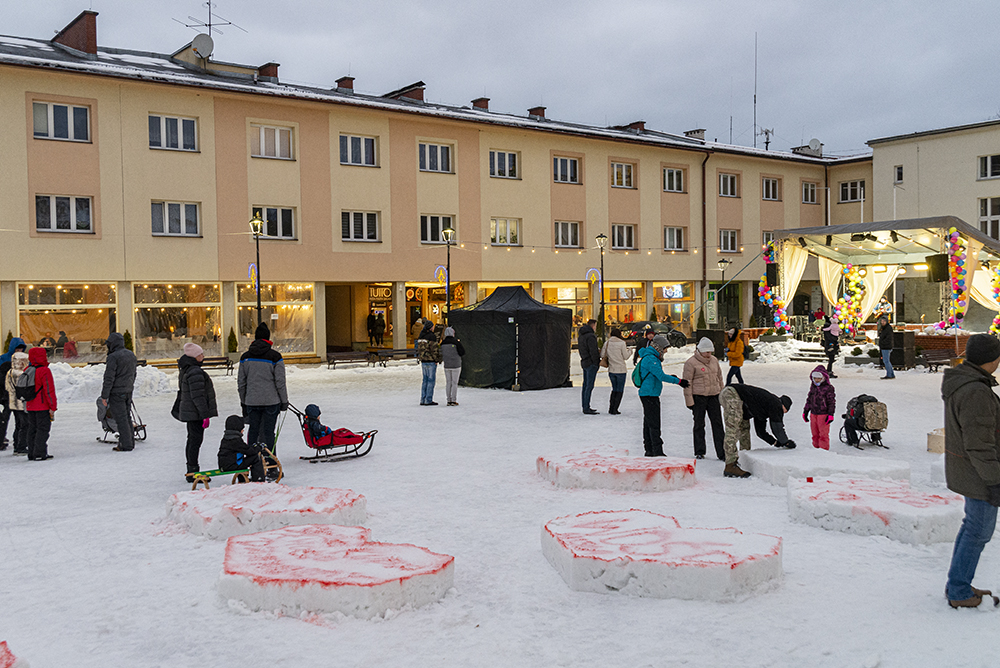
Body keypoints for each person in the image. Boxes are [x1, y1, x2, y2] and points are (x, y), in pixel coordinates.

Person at [942, 333, 1000, 608]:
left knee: (972, 528)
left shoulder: (967, 381)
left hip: (970, 469)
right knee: (978, 532)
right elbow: (979, 444)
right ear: (992, 359)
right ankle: (959, 590)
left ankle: (958, 583)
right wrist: (995, 481)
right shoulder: (975, 391)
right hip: (979, 474)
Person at [238, 322, 288, 479]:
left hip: (251, 401)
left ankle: (254, 465)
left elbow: (241, 383)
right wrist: (284, 401)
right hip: (271, 401)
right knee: (268, 434)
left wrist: (244, 400)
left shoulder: (245, 357)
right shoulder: (275, 357)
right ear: (268, 338)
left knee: (253, 432)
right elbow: (280, 382)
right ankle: (271, 466)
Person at [719, 384, 795, 478]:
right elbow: (777, 428)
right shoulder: (776, 403)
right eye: (784, 411)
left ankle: (744, 457)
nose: (782, 414)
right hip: (732, 393)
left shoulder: (763, 408)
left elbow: (761, 432)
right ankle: (730, 465)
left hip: (735, 397)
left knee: (744, 428)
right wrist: (786, 442)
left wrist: (775, 442)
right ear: (784, 406)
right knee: (733, 429)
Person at [636, 334, 688, 457]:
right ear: (658, 347)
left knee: (649, 422)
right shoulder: (651, 359)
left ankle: (649, 450)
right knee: (654, 423)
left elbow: (657, 374)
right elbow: (661, 376)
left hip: (649, 393)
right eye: (665, 348)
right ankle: (657, 451)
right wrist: (679, 381)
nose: (666, 351)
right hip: (649, 394)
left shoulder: (651, 357)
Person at [177, 343, 218, 481]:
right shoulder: (195, 372)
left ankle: (191, 470)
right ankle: (193, 472)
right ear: (195, 356)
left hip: (191, 412)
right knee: (195, 441)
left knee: (192, 440)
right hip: (195, 414)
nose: (203, 356)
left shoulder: (187, 369)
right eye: (201, 354)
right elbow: (198, 396)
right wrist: (205, 415)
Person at [683, 337, 725, 460]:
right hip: (698, 397)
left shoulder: (714, 360)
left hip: (714, 396)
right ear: (700, 350)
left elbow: (719, 378)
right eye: (707, 352)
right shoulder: (691, 363)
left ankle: (722, 452)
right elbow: (687, 383)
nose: (709, 354)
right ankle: (699, 451)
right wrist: (689, 401)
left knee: (718, 424)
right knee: (699, 424)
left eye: (711, 352)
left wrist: (722, 394)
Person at [100, 332, 137, 452]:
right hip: (128, 390)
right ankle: (130, 441)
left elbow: (109, 377)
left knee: (121, 419)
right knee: (127, 416)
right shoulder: (130, 354)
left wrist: (104, 395)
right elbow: (133, 374)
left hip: (116, 392)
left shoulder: (113, 357)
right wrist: (129, 386)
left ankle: (126, 444)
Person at [25, 346, 56, 461]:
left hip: (30, 405)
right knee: (42, 429)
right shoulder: (44, 371)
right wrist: (53, 406)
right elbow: (49, 390)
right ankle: (39, 452)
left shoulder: (27, 370)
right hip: (42, 406)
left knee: (32, 429)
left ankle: (31, 452)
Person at [218, 414, 265, 483]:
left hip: (224, 465)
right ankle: (258, 479)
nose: (243, 431)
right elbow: (249, 451)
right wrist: (259, 447)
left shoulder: (226, 438)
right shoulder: (235, 440)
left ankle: (242, 479)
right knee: (255, 457)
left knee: (242, 459)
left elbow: (245, 449)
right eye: (242, 429)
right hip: (231, 466)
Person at [0, 337, 26, 449]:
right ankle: (1, 440)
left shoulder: (24, 360)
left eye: (21, 349)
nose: (19, 351)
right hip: (6, 394)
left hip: (18, 394)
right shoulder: (3, 359)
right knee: (4, 419)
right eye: (17, 348)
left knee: (20, 420)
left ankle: (19, 443)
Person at [802, 366, 836, 450]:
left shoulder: (828, 388)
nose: (817, 380)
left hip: (823, 414)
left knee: (823, 434)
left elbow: (831, 402)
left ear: (823, 378)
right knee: (815, 433)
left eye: (819, 378)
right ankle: (816, 450)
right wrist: (806, 411)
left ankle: (823, 450)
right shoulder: (813, 387)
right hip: (813, 413)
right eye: (815, 378)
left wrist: (830, 414)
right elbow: (809, 399)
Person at [601, 327, 631, 415]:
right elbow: (625, 356)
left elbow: (602, 354)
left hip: (611, 370)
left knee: (614, 389)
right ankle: (615, 409)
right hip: (621, 370)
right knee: (620, 390)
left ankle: (611, 408)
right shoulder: (622, 343)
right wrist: (630, 351)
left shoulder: (607, 343)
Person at [5, 350, 29, 455]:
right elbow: (24, 388)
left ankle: (17, 445)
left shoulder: (10, 372)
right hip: (21, 402)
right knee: (24, 425)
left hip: (13, 401)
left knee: (18, 424)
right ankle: (21, 446)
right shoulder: (20, 373)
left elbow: (8, 387)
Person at [416, 320, 442, 405]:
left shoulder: (421, 336)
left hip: (423, 361)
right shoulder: (432, 336)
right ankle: (428, 399)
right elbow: (434, 350)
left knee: (425, 380)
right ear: (431, 327)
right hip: (430, 361)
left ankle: (423, 399)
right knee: (431, 381)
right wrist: (436, 359)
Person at [578, 319, 600, 415]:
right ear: (593, 325)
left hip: (585, 361)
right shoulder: (591, 336)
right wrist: (596, 362)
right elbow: (593, 351)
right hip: (591, 363)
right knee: (589, 386)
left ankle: (585, 405)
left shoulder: (581, 336)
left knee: (585, 385)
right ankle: (586, 407)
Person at [440, 326, 465, 406]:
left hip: (447, 365)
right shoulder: (456, 342)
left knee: (448, 383)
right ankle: (453, 400)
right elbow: (462, 352)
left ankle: (448, 400)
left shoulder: (443, 343)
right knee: (454, 383)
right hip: (456, 365)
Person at [878, 315, 895, 379]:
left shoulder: (887, 328)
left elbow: (888, 338)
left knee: (886, 361)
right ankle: (891, 374)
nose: (882, 322)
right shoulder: (884, 328)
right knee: (887, 361)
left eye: (884, 321)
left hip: (886, 347)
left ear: (887, 321)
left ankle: (889, 375)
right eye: (882, 321)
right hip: (885, 346)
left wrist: (882, 343)